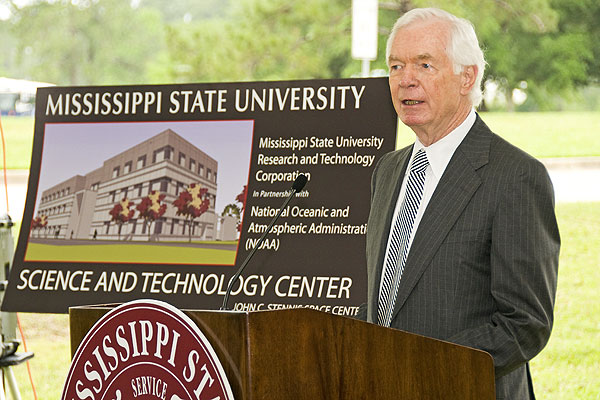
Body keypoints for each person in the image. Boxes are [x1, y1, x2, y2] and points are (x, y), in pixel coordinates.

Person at [362, 8, 560, 399]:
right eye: (396, 66)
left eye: (424, 64)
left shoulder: (515, 176)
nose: (405, 80)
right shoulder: (387, 170)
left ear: (466, 76)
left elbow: (525, 324)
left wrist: (421, 369)